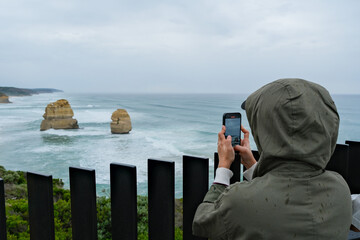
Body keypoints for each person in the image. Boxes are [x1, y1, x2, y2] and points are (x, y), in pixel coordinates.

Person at [192, 78, 352, 239]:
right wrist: (252, 165)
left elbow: (202, 223)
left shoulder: (239, 202)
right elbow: (283, 191)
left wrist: (224, 167)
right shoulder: (340, 190)